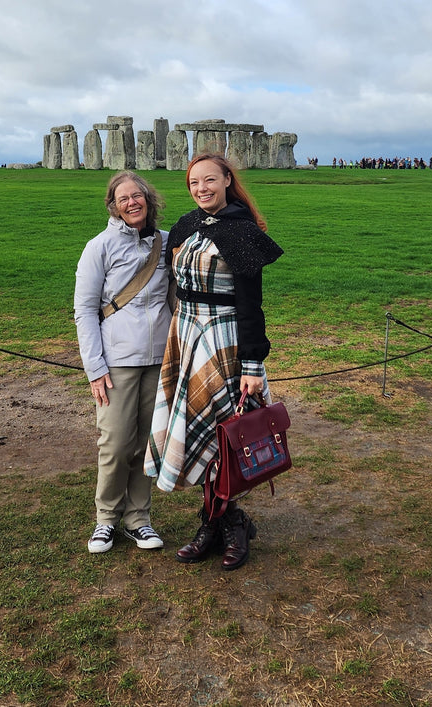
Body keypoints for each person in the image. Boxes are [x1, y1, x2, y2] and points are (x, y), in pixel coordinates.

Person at [144, 153, 283, 571]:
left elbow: (251, 304)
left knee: (225, 438)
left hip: (222, 338)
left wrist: (252, 365)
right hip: (185, 334)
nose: (201, 189)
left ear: (227, 180)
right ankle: (219, 521)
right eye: (193, 183)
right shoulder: (187, 225)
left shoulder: (241, 231)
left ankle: (228, 523)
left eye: (209, 180)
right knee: (201, 434)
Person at [74, 171, 172, 555]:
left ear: (149, 200)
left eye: (138, 195)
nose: (132, 202)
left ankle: (139, 519)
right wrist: (94, 368)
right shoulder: (99, 246)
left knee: (145, 444)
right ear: (112, 206)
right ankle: (105, 520)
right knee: (115, 444)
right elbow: (84, 310)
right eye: (123, 198)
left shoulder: (164, 245)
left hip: (159, 358)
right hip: (117, 362)